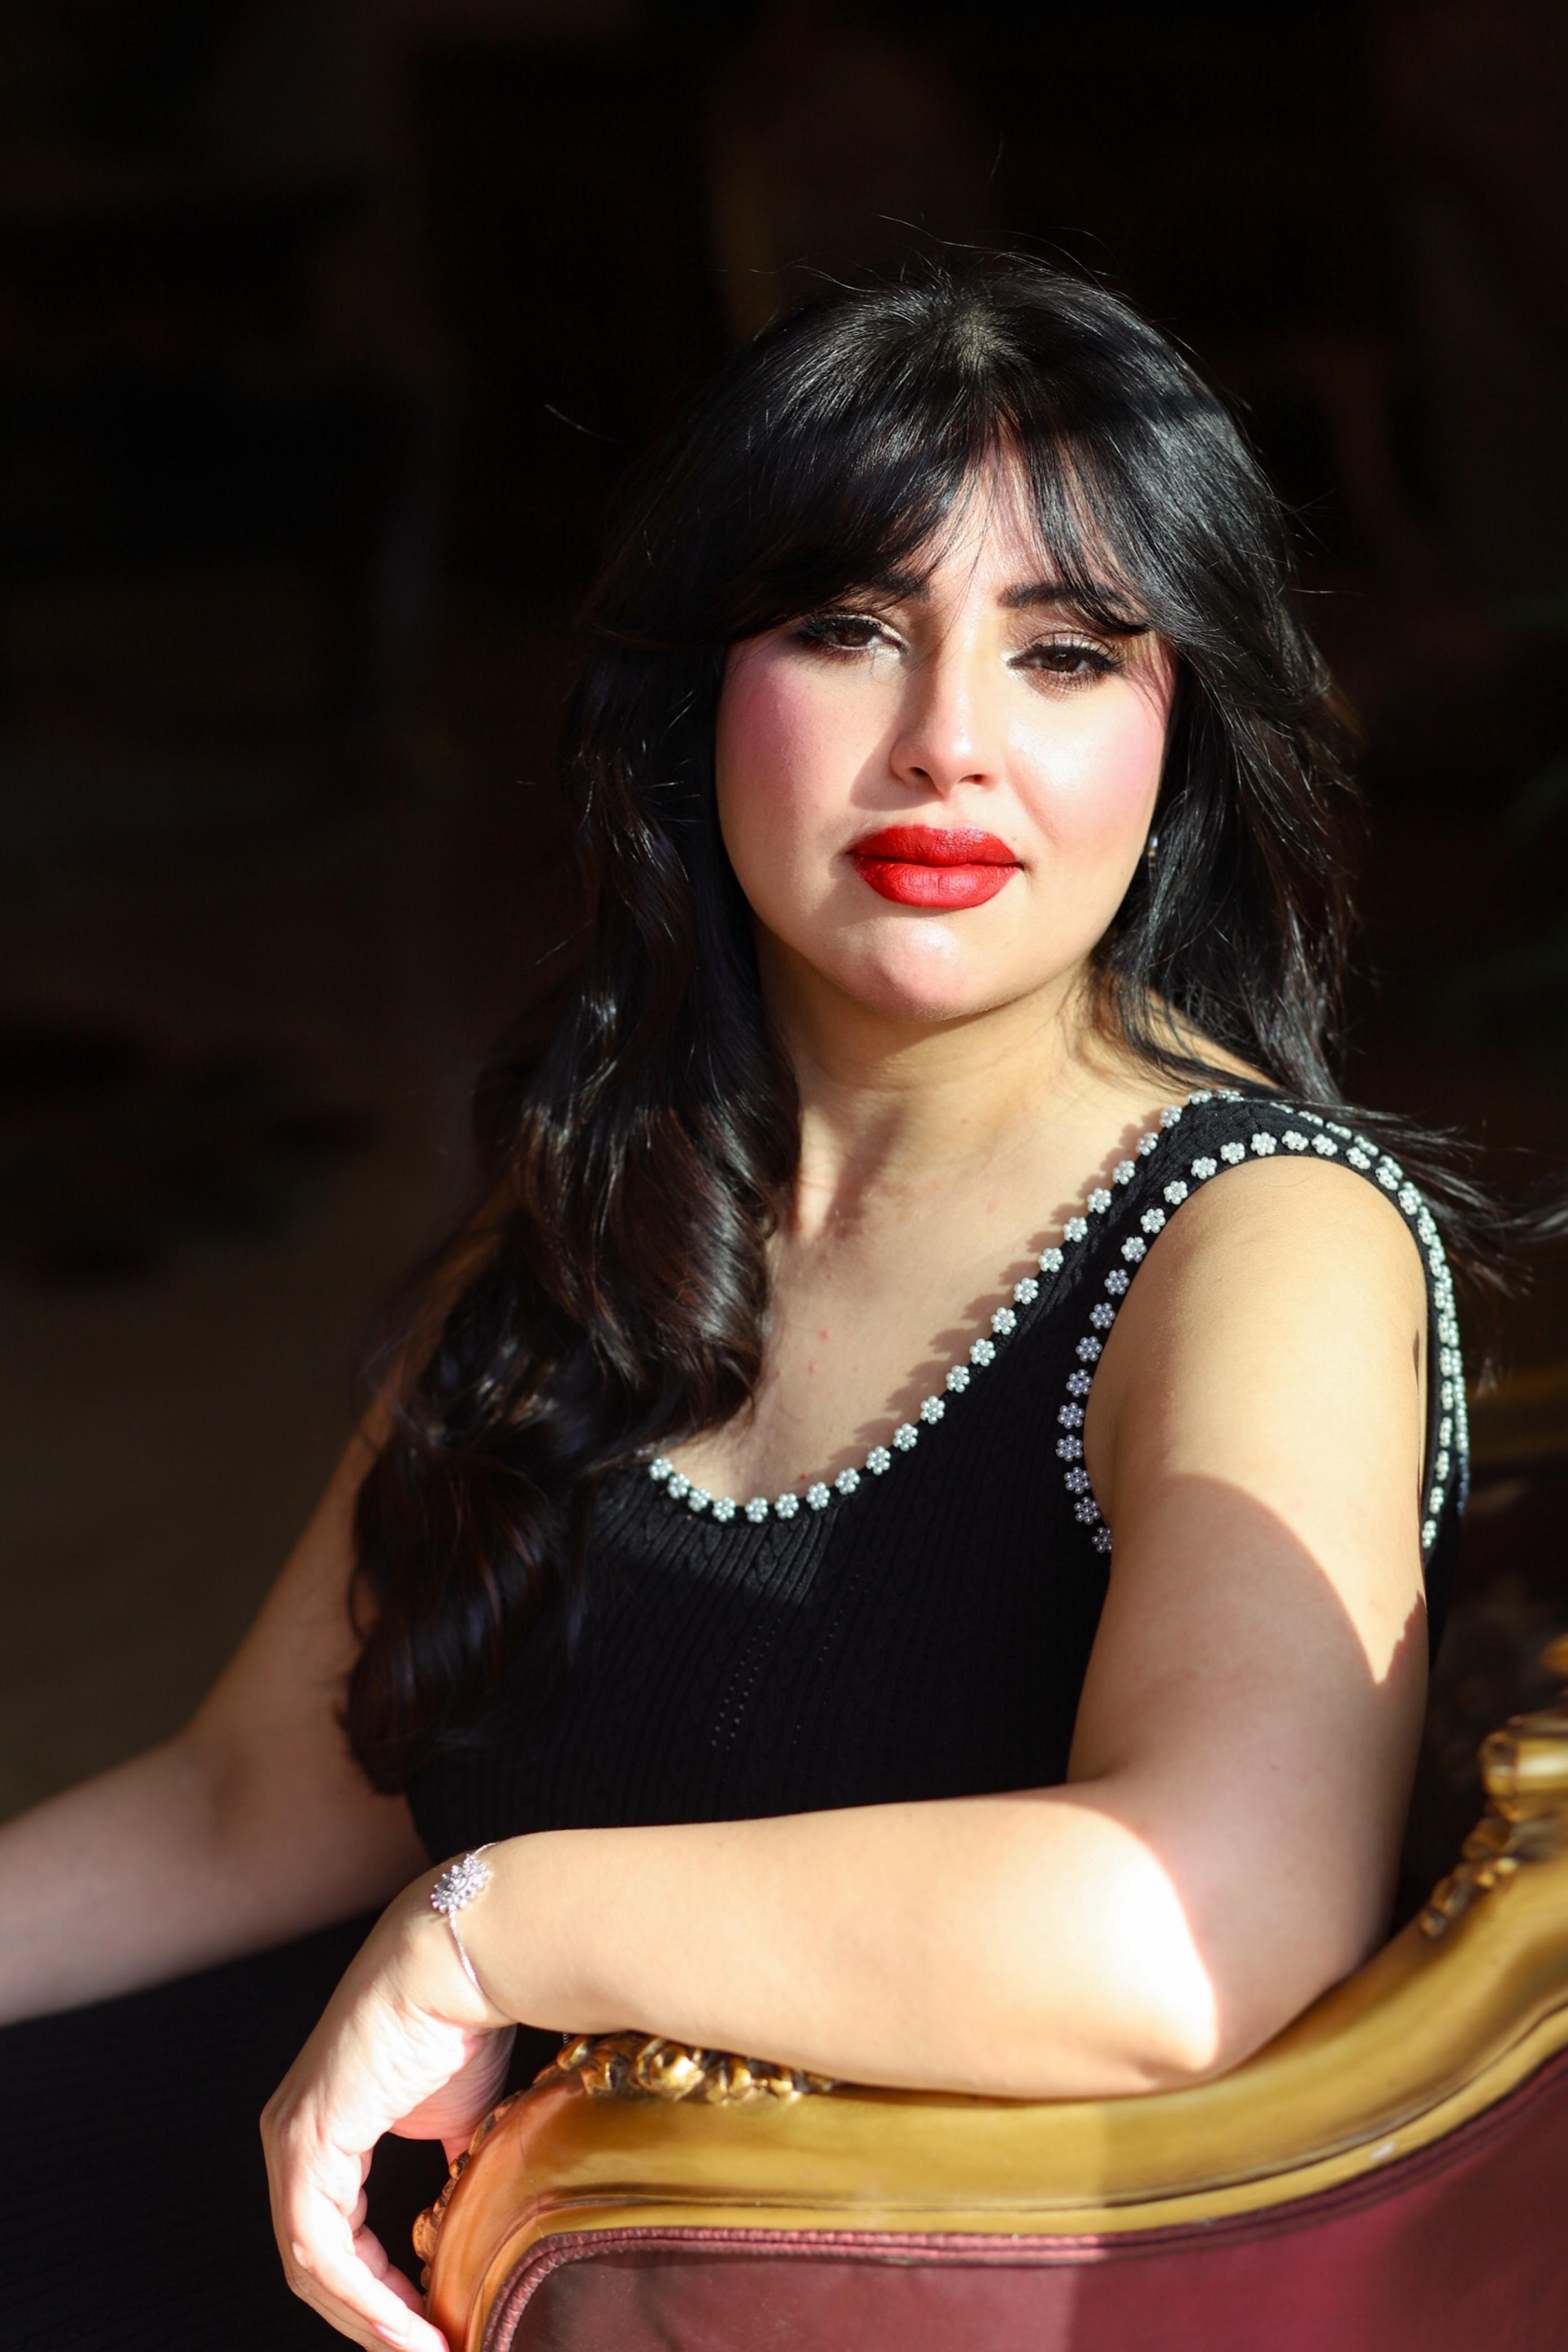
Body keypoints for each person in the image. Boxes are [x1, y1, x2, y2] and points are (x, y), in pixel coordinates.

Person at [0, 261, 1488, 2352]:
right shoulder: (609, 1184)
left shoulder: (1259, 1231)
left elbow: (1202, 1920)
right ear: (699, 690)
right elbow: (259, 1799)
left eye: (1067, 653)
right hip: (313, 2190)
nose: (949, 744)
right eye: (848, 629)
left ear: (1186, 734)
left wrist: (495, 1926)